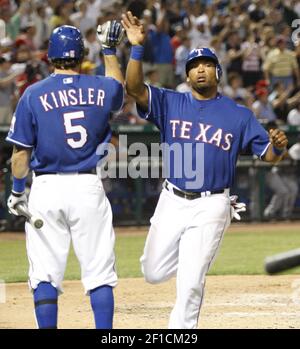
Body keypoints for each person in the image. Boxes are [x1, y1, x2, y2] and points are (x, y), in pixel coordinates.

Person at [121, 11, 288, 329]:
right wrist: (137, 48)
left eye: (207, 64)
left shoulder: (238, 114)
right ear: (187, 76)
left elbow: (268, 155)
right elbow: (134, 89)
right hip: (172, 199)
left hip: (213, 203)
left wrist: (278, 146)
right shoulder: (172, 103)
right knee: (153, 272)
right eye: (194, 66)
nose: (200, 69)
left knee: (191, 282)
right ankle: (191, 256)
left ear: (218, 72)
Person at [6, 23, 124, 329]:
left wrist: (18, 191)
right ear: (82, 55)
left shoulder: (33, 95)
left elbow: (20, 156)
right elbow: (118, 89)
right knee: (99, 272)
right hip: (87, 185)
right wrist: (109, 50)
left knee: (45, 273)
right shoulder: (100, 87)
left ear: (49, 56)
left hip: (46, 188)